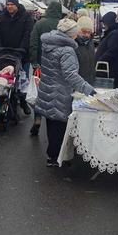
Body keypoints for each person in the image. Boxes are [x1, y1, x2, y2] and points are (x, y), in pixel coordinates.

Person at [35, 18, 96, 166]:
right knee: (60, 126)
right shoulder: (67, 50)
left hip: (47, 88)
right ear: (71, 34)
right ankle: (55, 157)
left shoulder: (48, 43)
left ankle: (52, 155)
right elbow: (70, 75)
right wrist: (88, 89)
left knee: (51, 122)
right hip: (60, 92)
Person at [0, 0, 34, 115]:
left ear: (17, 5)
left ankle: (23, 101)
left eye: (12, 4)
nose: (9, 7)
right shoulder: (1, 17)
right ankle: (2, 101)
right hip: (4, 53)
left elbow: (28, 34)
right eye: (7, 4)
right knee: (5, 79)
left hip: (21, 55)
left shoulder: (26, 17)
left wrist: (22, 48)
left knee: (22, 81)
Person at [28, 1, 63, 136]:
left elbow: (33, 43)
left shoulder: (40, 24)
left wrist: (34, 62)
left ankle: (37, 119)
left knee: (40, 93)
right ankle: (52, 120)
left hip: (42, 65)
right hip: (58, 67)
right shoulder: (62, 24)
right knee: (54, 94)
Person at [95, 12, 118, 89]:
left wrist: (100, 60)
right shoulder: (114, 32)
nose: (104, 26)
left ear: (108, 22)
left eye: (104, 23)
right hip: (113, 71)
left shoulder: (115, 34)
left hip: (113, 72)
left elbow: (113, 51)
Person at [76, 14, 96, 85]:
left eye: (89, 32)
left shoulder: (91, 43)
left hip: (89, 83)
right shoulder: (73, 44)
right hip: (77, 85)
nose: (87, 35)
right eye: (84, 31)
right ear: (78, 30)